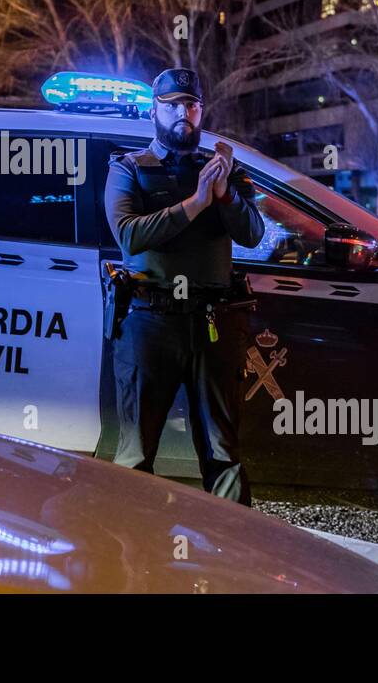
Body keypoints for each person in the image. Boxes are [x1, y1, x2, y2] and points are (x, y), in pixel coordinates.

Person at [103, 68, 264, 504]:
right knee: (136, 453)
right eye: (172, 105)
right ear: (154, 111)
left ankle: (234, 558)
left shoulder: (222, 170)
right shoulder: (129, 168)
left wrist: (225, 191)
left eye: (191, 105)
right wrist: (195, 204)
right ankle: (130, 555)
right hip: (148, 322)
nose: (183, 114)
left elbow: (252, 234)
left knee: (224, 452)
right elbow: (130, 234)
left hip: (211, 325)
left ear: (201, 111)